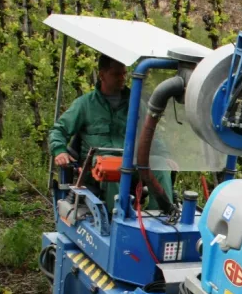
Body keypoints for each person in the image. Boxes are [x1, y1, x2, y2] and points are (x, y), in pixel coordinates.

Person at [49, 54, 172, 208]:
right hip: (98, 168)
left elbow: (151, 135)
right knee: (112, 167)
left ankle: (162, 215)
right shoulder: (84, 105)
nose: (122, 78)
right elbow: (58, 130)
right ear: (102, 75)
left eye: (124, 74)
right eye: (116, 74)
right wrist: (60, 150)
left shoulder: (135, 104)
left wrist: (164, 156)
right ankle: (117, 216)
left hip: (131, 162)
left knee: (160, 166)